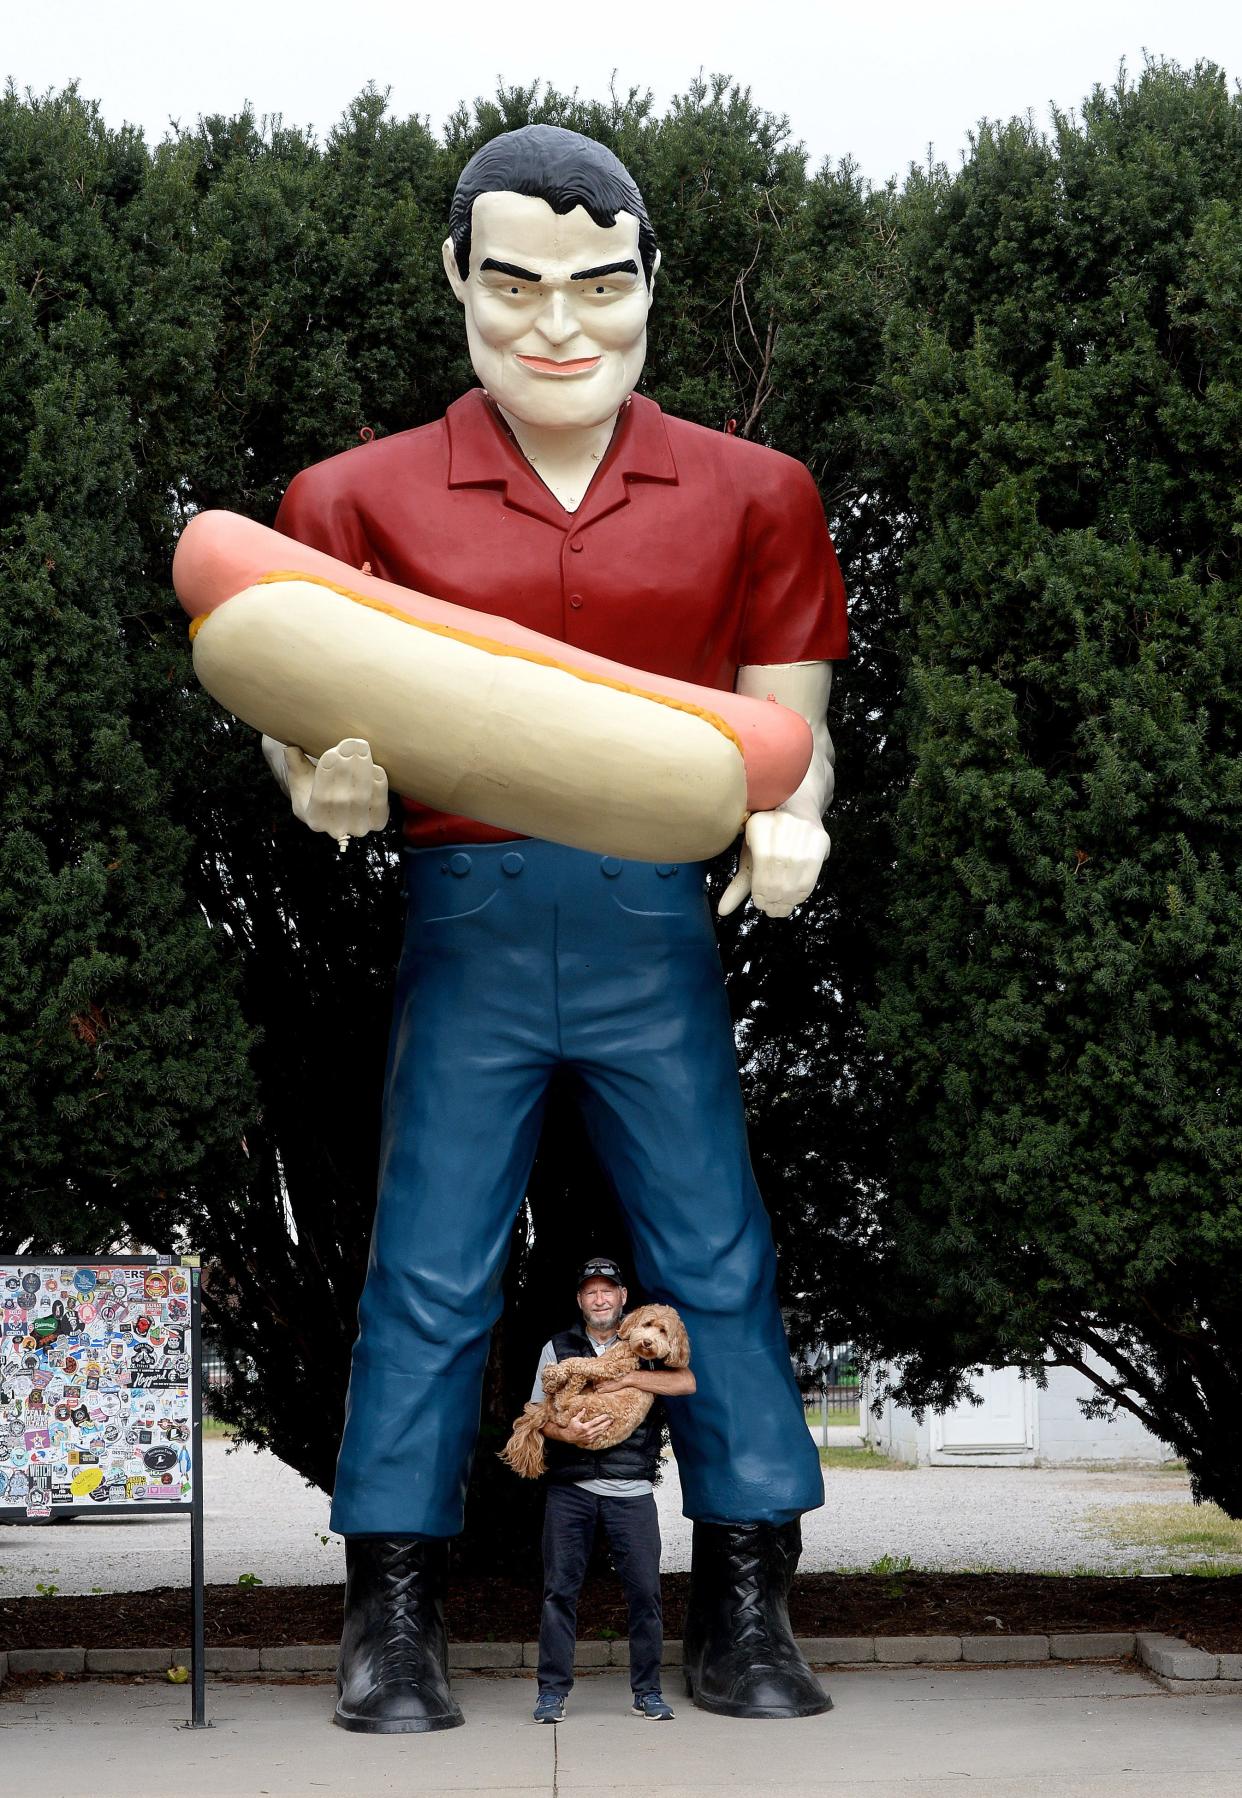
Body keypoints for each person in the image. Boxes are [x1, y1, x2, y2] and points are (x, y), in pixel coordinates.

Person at [265, 123, 846, 1734]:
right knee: (431, 1265)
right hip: (471, 910)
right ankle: (389, 1614)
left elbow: (785, 725)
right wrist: (317, 780)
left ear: (648, 279)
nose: (556, 322)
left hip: (647, 914)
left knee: (714, 1257)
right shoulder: (354, 495)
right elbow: (295, 691)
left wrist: (790, 817)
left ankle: (746, 1592)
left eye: (598, 282)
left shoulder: (754, 495)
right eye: (513, 281)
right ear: (456, 277)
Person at [530, 1257, 696, 1724]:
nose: (600, 1299)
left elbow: (686, 1381)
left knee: (645, 1593)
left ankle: (647, 1691)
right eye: (590, 1292)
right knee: (559, 1591)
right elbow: (538, 1413)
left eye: (608, 1291)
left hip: (631, 1490)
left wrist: (627, 1378)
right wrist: (571, 1436)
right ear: (580, 1300)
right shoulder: (557, 1347)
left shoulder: (647, 1339)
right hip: (571, 1490)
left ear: (623, 1298)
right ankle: (552, 1692)